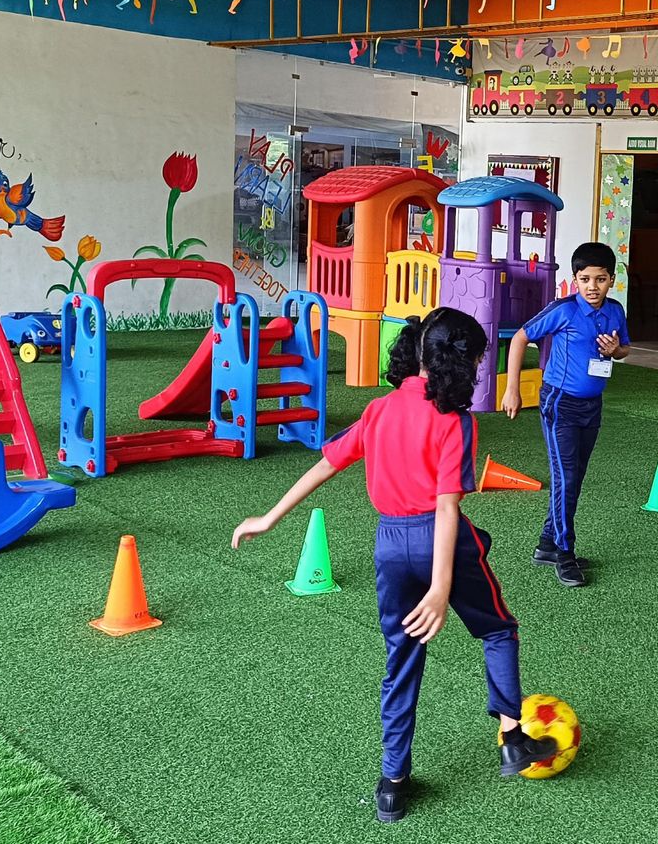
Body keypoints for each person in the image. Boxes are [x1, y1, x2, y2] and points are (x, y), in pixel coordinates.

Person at [230, 308, 557, 821]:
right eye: (478, 361)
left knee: (401, 658)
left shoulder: (379, 409)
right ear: (464, 363)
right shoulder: (456, 421)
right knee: (498, 630)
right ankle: (513, 739)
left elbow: (326, 464)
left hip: (389, 545)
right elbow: (446, 509)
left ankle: (392, 785)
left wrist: (270, 517)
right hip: (440, 540)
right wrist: (441, 587)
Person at [503, 242, 630, 588]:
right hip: (560, 403)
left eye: (600, 279)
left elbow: (625, 349)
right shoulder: (564, 310)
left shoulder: (615, 311)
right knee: (566, 477)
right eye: (585, 279)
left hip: (593, 404)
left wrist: (615, 351)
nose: (592, 286)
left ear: (612, 279)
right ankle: (564, 551)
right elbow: (520, 338)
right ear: (575, 280)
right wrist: (512, 389)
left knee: (573, 476)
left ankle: (547, 544)